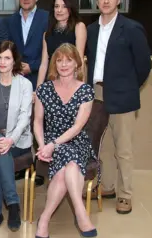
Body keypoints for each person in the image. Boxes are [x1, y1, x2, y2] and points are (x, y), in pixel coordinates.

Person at [85, 0, 152, 215]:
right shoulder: (91, 30)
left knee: (123, 148)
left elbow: (144, 65)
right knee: (103, 146)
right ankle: (108, 187)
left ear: (119, 0)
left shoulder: (131, 28)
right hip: (97, 93)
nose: (106, 1)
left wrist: (129, 87)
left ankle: (125, 195)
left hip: (123, 95)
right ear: (96, 0)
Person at [34, 43, 97, 238]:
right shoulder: (44, 89)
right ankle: (81, 216)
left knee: (68, 161)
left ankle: (45, 219)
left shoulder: (86, 91)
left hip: (77, 140)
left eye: (69, 60)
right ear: (54, 64)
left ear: (77, 63)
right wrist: (43, 145)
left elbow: (77, 127)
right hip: (50, 140)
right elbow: (37, 122)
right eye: (59, 60)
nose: (63, 64)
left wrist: (53, 145)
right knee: (67, 167)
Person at [0, 41, 33, 233]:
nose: (3, 62)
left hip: (18, 139)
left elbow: (24, 117)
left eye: (7, 58)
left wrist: (10, 140)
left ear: (14, 61)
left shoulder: (25, 84)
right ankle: (13, 205)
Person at [2, 0, 49, 186]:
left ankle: (40, 168)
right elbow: (8, 48)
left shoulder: (47, 18)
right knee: (17, 122)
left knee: (39, 123)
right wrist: (17, 65)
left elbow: (51, 50)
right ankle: (21, 165)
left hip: (39, 77)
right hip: (17, 79)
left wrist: (34, 66)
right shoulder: (10, 20)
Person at [37, 0, 86, 87]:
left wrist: (80, 87)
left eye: (64, 6)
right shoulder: (47, 33)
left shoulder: (79, 27)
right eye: (56, 6)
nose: (59, 10)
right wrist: (38, 88)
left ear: (70, 9)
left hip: (71, 81)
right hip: (52, 81)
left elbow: (80, 59)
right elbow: (44, 64)